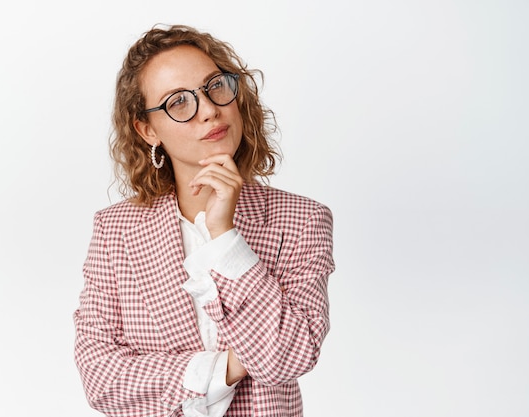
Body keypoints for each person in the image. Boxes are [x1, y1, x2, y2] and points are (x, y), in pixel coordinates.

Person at [73, 24, 335, 417]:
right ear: (147, 130)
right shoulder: (116, 230)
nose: (210, 109)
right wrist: (225, 368)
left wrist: (225, 238)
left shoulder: (301, 221)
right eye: (178, 102)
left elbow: (288, 357)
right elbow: (101, 379)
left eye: (215, 86)